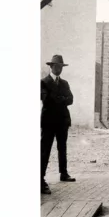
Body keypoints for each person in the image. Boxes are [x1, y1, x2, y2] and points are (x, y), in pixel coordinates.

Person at [41, 55, 76, 194]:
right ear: (51, 67)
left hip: (62, 121)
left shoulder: (65, 83)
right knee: (45, 150)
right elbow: (46, 100)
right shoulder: (43, 82)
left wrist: (58, 99)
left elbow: (71, 99)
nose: (59, 69)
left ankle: (64, 173)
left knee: (62, 148)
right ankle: (39, 179)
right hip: (49, 122)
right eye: (56, 66)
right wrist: (62, 99)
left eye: (61, 67)